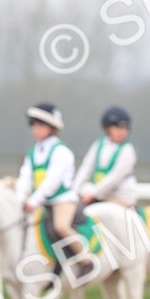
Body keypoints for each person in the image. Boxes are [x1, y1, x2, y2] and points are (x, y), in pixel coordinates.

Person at [16, 103, 91, 275]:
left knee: (61, 226)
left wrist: (34, 200)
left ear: (52, 128)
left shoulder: (61, 151)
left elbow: (52, 181)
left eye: (41, 125)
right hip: (42, 201)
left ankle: (86, 260)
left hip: (62, 200)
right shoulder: (33, 152)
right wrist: (21, 197)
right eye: (34, 125)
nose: (36, 129)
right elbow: (25, 177)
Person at [74, 105, 138, 208]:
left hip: (120, 197)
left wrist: (94, 193)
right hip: (101, 195)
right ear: (107, 128)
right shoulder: (98, 145)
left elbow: (115, 177)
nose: (122, 132)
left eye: (125, 128)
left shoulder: (127, 150)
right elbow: (86, 168)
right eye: (118, 128)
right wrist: (74, 190)